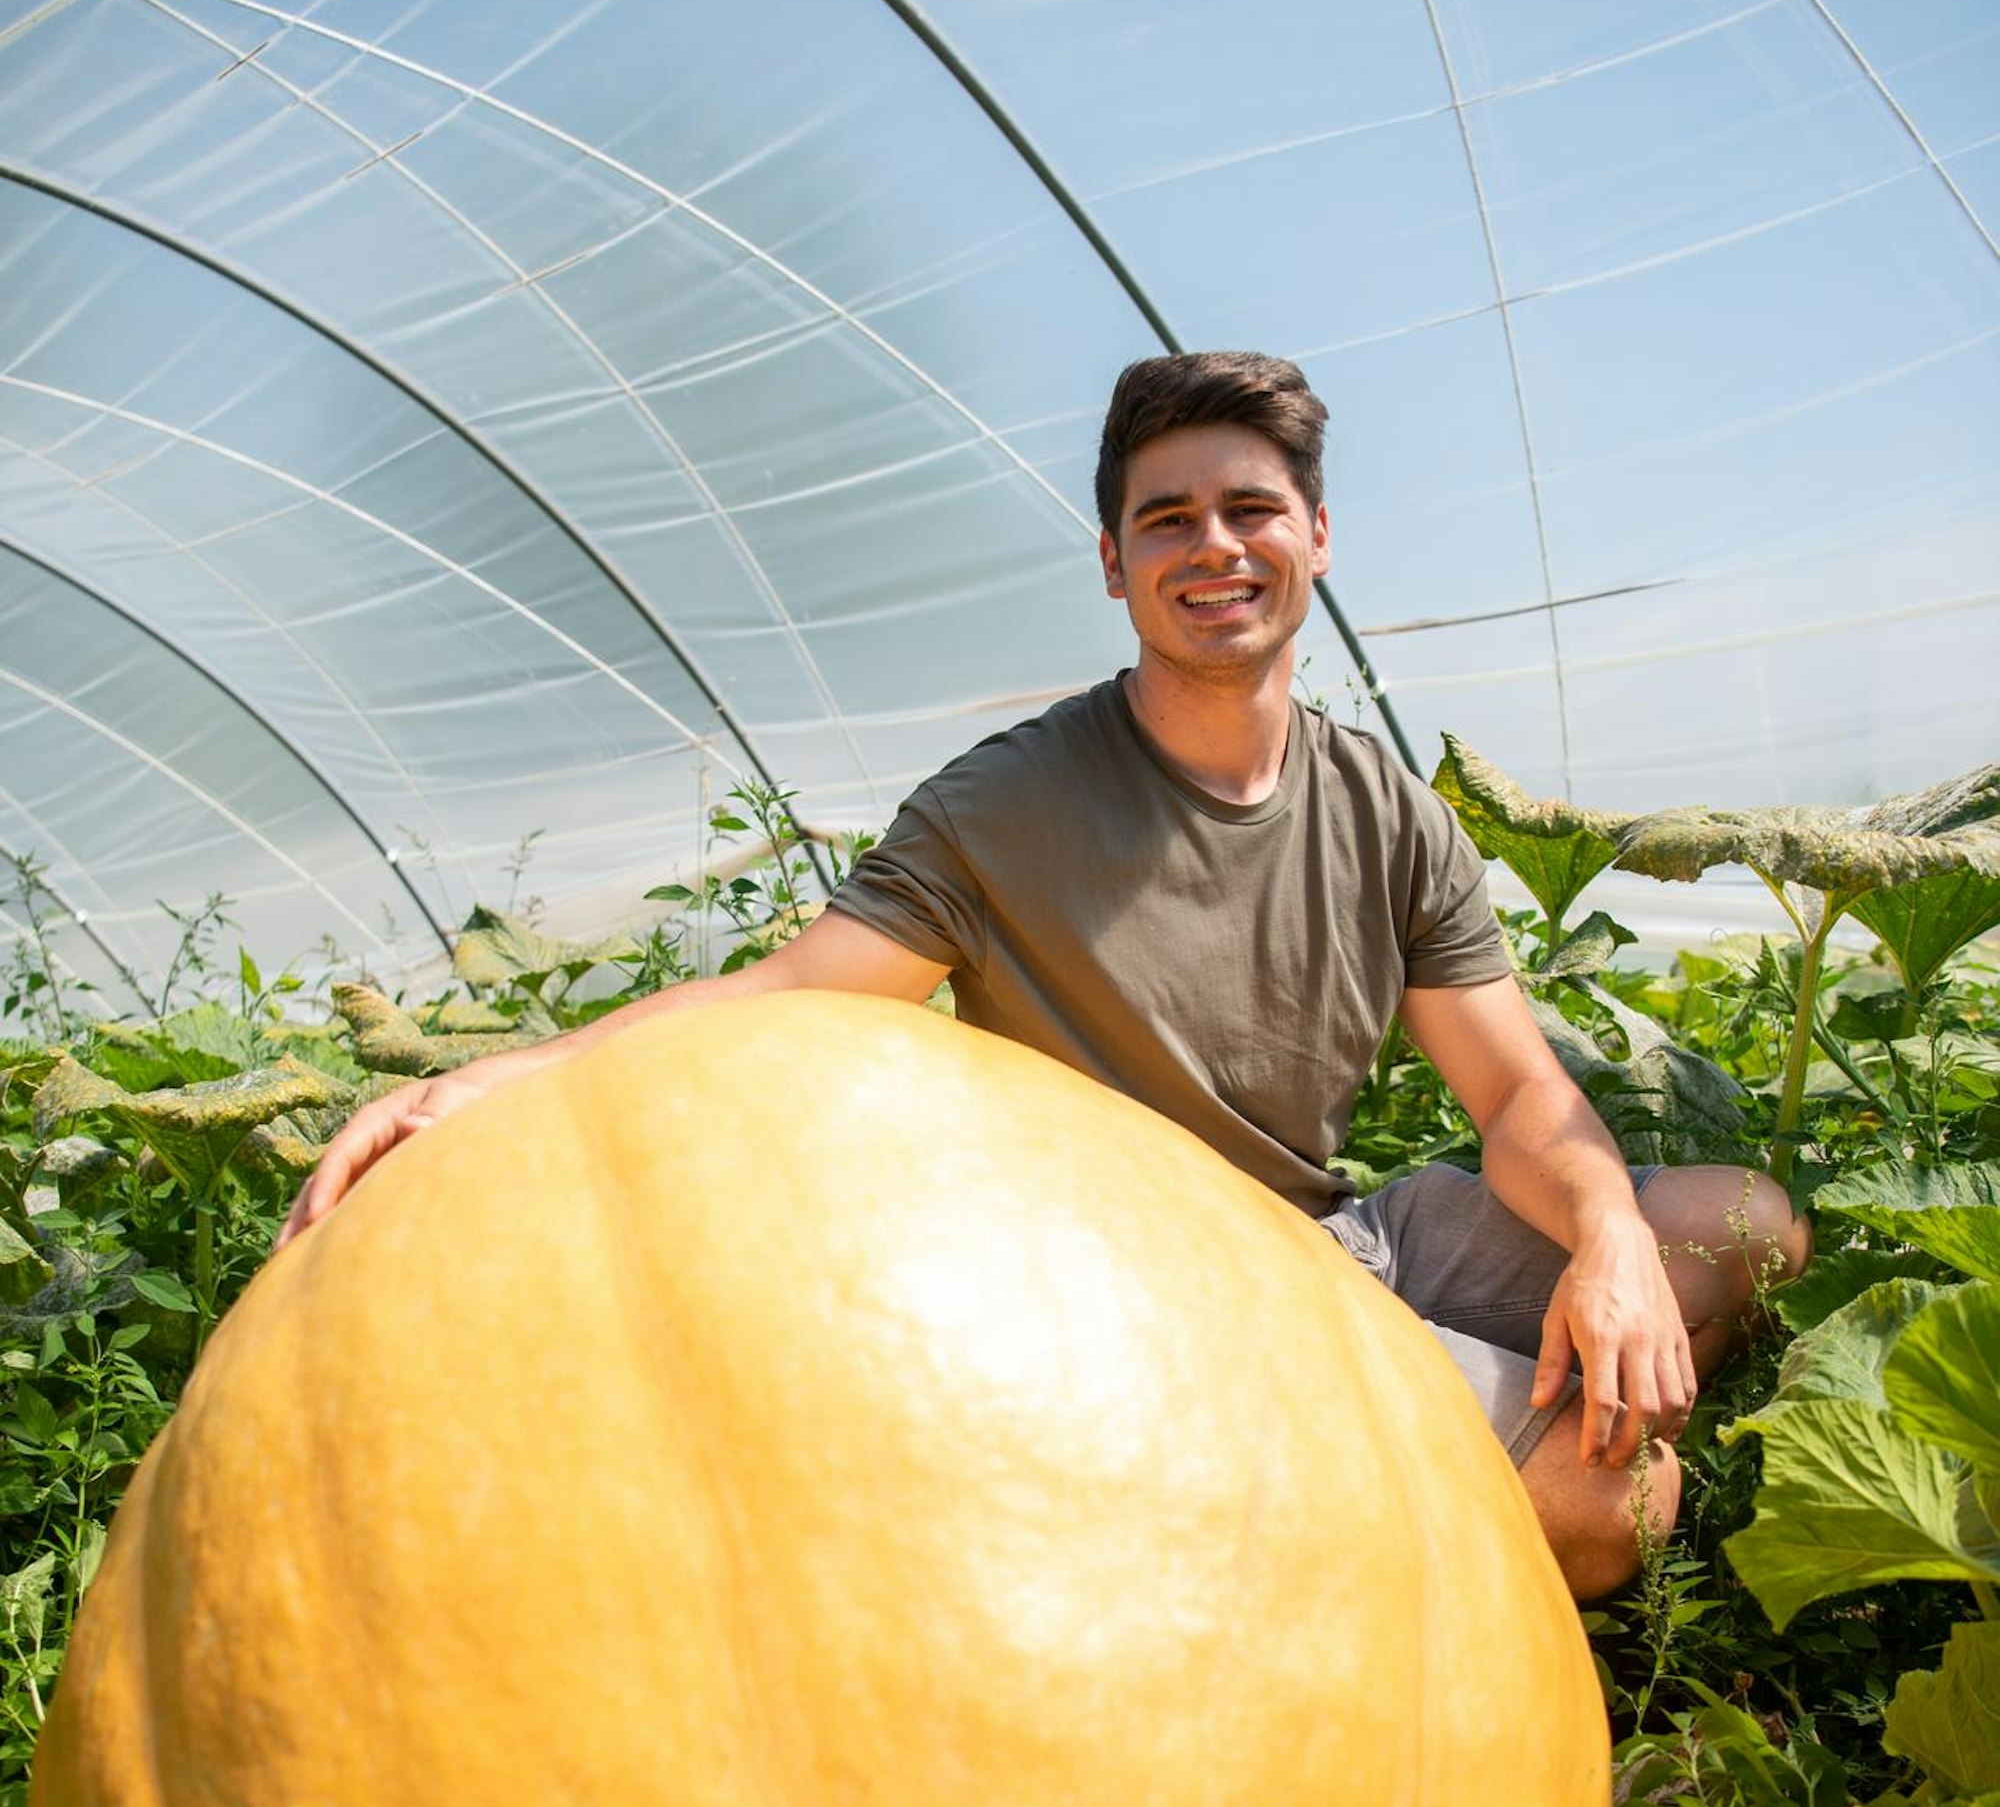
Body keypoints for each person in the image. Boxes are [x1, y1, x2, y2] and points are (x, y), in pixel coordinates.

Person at [280, 351, 1807, 1599]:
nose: (1215, 546)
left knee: (1743, 1224)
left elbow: (1518, 1088)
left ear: (1316, 538)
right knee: (1622, 1506)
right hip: (1177, 1295)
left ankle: (1474, 1425)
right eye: (1168, 520)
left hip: (1351, 1238)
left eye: (1251, 510)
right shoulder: (1009, 804)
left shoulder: (1380, 805)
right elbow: (779, 998)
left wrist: (1607, 1237)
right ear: (1114, 562)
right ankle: (1437, 1505)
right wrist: (481, 1079)